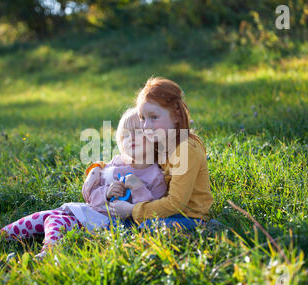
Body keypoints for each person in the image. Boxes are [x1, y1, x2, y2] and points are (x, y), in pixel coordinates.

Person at [0, 108, 167, 259]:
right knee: (45, 215)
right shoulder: (117, 163)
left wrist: (137, 187)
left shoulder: (156, 176)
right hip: (91, 211)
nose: (130, 139)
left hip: (105, 224)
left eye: (137, 133)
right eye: (125, 135)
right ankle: (3, 235)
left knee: (55, 220)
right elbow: (90, 197)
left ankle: (49, 251)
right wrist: (106, 193)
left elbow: (150, 213)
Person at [82, 76, 215, 231]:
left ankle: (211, 229)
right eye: (142, 118)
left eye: (154, 117)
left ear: (176, 116)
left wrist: (133, 210)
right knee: (117, 223)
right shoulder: (162, 143)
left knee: (147, 227)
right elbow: (131, 160)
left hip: (189, 217)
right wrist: (99, 166)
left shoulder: (186, 150)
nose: (146, 126)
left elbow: (176, 203)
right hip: (163, 213)